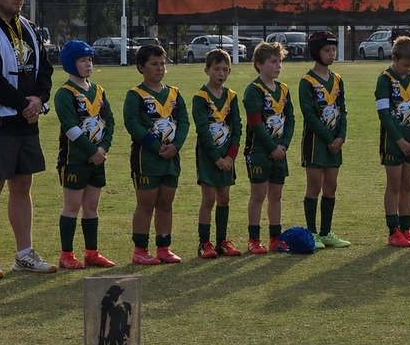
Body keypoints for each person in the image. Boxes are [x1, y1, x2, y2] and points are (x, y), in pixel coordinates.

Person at [0, 0, 55, 277]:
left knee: (23, 184)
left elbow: (45, 69)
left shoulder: (29, 27)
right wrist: (24, 104)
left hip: (25, 119)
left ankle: (24, 254)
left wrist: (39, 99)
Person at [124, 43, 189, 265]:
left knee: (166, 203)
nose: (160, 68)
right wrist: (155, 145)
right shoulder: (135, 95)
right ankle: (140, 249)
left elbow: (184, 122)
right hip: (147, 158)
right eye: (154, 64)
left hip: (171, 157)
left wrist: (176, 145)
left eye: (162, 63)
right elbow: (132, 124)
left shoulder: (174, 93)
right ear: (141, 67)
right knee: (146, 204)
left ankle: (164, 247)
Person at [54, 40, 116, 269]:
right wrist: (92, 151)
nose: (88, 64)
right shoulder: (64, 93)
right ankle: (66, 255)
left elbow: (110, 121)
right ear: (71, 63)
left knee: (91, 206)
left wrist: (103, 148)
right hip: (74, 161)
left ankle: (92, 253)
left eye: (90, 59)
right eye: (82, 60)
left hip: (97, 159)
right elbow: (70, 127)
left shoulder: (98, 90)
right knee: (72, 206)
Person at [300, 31, 350, 249]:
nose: (332, 54)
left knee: (331, 186)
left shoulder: (337, 79)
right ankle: (312, 233)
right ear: (316, 52)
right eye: (327, 50)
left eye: (333, 50)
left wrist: (341, 137)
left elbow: (343, 110)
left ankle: (326, 232)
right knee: (314, 186)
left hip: (335, 143)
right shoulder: (307, 82)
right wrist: (330, 138)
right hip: (315, 143)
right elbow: (309, 115)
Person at [244, 41, 295, 254]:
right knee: (258, 195)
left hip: (279, 152)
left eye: (279, 61)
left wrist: (283, 145)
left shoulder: (283, 89)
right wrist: (273, 147)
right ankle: (254, 239)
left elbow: (290, 119)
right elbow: (256, 124)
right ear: (259, 64)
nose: (278, 66)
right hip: (259, 152)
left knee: (276, 195)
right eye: (273, 61)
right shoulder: (253, 90)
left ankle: (275, 238)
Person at [192, 48, 243, 259]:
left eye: (224, 69)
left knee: (224, 197)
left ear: (229, 71)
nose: (220, 73)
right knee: (209, 198)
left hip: (227, 156)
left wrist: (230, 156)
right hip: (209, 157)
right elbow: (203, 131)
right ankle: (204, 243)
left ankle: (222, 241)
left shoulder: (232, 96)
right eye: (216, 69)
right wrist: (217, 158)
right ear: (207, 70)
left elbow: (237, 127)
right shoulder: (200, 97)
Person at [376, 35, 410, 247]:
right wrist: (399, 140)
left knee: (407, 185)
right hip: (393, 144)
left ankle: (406, 229)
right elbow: (384, 114)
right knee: (394, 185)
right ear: (394, 58)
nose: (408, 69)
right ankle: (393, 231)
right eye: (405, 65)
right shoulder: (384, 80)